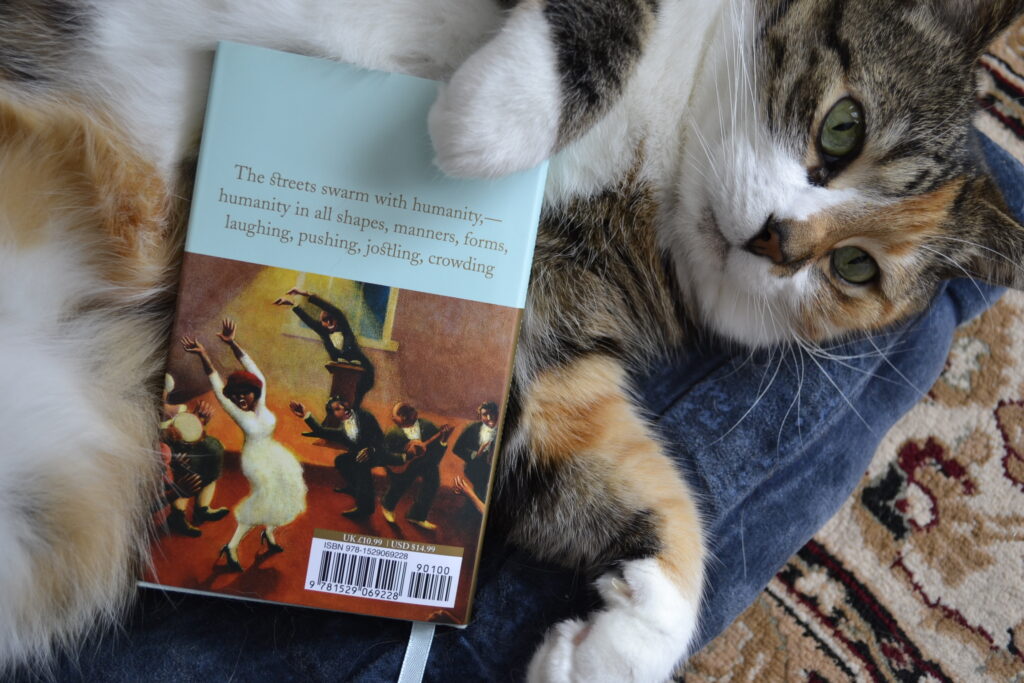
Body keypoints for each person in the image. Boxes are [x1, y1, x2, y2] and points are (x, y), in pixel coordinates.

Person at [180, 319, 307, 572]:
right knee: (263, 499)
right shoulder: (239, 413)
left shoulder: (261, 402)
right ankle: (232, 546)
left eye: (244, 394)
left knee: (286, 493)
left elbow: (253, 369)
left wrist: (231, 344)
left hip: (273, 454)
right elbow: (217, 385)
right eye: (236, 397)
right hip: (256, 460)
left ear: (254, 392)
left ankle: (268, 535)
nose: (240, 399)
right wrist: (204, 355)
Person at [273, 288, 375, 408]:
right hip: (343, 375)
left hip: (365, 374)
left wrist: (306, 294)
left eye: (331, 318)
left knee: (353, 402)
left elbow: (334, 311)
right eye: (325, 320)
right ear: (322, 323)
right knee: (341, 402)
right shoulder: (324, 333)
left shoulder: (345, 328)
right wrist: (292, 304)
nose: (329, 322)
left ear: (337, 319)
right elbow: (308, 320)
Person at [290, 396, 385, 518]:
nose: (338, 412)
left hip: (377, 452)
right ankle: (354, 488)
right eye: (334, 410)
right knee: (341, 461)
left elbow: (381, 439)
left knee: (362, 464)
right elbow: (322, 431)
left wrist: (371, 449)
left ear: (346, 406)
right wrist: (304, 415)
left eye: (338, 408)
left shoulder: (365, 416)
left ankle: (365, 508)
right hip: (359, 453)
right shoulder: (344, 427)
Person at [161, 374, 229, 532]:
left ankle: (202, 509)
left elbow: (193, 434)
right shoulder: (144, 416)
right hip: (165, 455)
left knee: (212, 449)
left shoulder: (180, 410)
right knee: (189, 468)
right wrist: (168, 434)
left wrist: (199, 423)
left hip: (184, 449)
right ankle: (177, 517)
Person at [381, 402, 452, 531]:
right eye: (395, 416)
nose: (393, 419)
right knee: (401, 483)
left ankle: (416, 516)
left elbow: (436, 455)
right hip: (402, 463)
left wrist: (443, 440)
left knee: (433, 482)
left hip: (426, 462)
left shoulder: (428, 426)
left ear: (407, 416)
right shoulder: (392, 433)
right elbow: (386, 455)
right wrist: (406, 455)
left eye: (396, 416)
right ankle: (387, 506)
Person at [451, 402, 499, 504]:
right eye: (485, 415)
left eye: (492, 414)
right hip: (477, 468)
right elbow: (457, 448)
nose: (489, 417)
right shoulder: (473, 428)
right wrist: (476, 453)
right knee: (481, 491)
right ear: (480, 416)